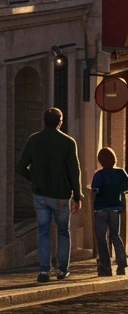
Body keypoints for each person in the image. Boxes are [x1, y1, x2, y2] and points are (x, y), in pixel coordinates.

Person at [17, 107, 83, 283]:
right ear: (60, 122)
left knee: (43, 231)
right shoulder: (68, 142)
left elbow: (20, 167)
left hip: (40, 194)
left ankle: (44, 270)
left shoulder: (34, 140)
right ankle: (62, 269)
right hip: (61, 194)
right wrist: (78, 195)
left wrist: (35, 179)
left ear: (43, 121)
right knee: (63, 231)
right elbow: (74, 171)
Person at [91, 146, 128, 275]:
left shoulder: (99, 174)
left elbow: (95, 190)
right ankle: (121, 263)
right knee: (115, 235)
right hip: (115, 208)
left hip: (101, 209)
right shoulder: (120, 172)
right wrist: (119, 190)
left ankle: (106, 265)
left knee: (101, 237)